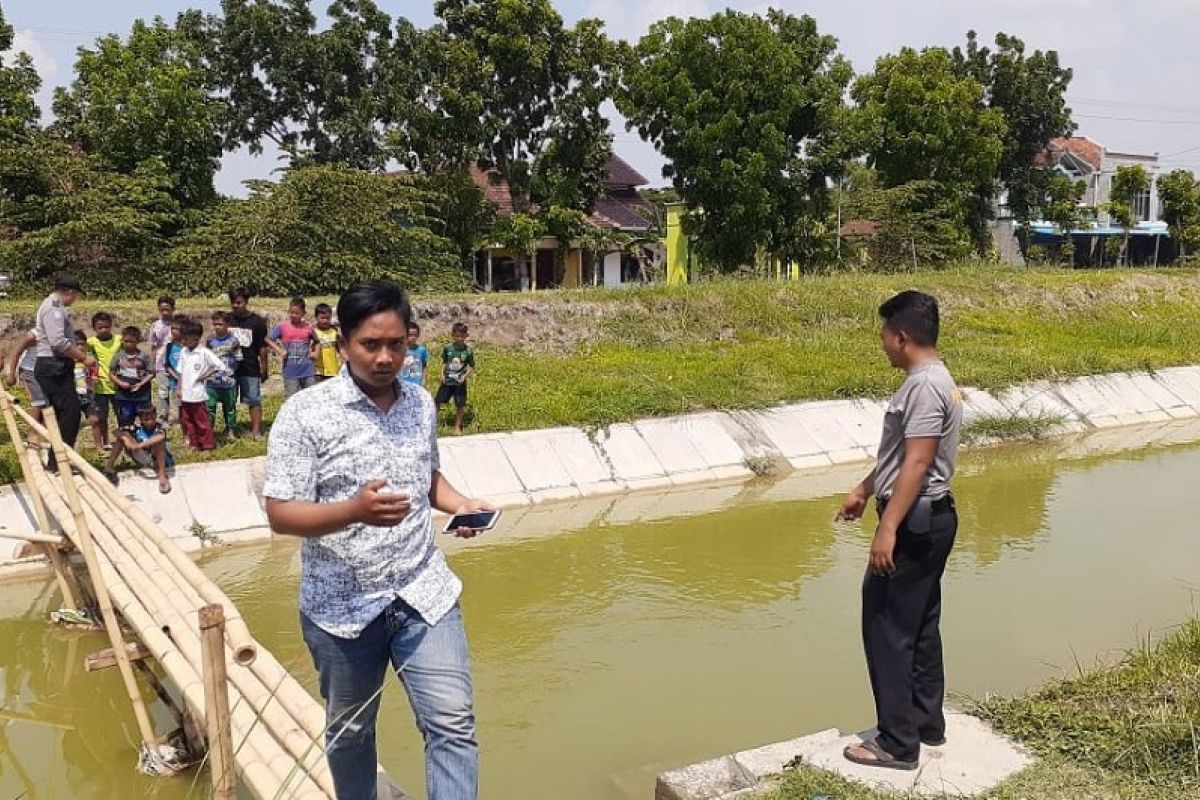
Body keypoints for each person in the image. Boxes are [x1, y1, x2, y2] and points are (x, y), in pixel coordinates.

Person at [264, 280, 493, 800]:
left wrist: (460, 504)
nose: (386, 357)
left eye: (397, 344)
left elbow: (427, 476)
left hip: (424, 593)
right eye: (371, 345)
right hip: (342, 609)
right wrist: (353, 511)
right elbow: (280, 513)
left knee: (452, 725)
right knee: (351, 732)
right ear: (342, 344)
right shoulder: (306, 414)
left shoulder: (419, 403)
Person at [837, 290, 963, 772]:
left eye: (885, 337)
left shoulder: (925, 387)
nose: (883, 345)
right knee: (921, 623)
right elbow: (900, 457)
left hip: (912, 523)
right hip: (930, 517)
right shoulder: (937, 380)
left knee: (886, 627)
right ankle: (926, 724)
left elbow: (918, 461)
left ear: (902, 336)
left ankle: (896, 742)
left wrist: (887, 527)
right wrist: (865, 490)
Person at [33, 274, 96, 471]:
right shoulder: (54, 309)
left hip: (56, 366)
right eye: (75, 294)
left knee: (63, 415)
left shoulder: (54, 307)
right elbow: (58, 341)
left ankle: (57, 460)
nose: (75, 299)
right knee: (70, 414)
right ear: (69, 292)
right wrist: (83, 358)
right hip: (53, 366)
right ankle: (60, 460)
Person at [176, 320, 231, 452]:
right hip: (185, 394)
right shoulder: (184, 351)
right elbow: (181, 371)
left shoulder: (203, 352)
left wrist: (206, 375)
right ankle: (194, 444)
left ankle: (208, 445)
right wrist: (179, 387)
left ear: (195, 339)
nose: (183, 341)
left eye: (186, 338)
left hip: (198, 394)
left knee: (202, 421)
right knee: (188, 421)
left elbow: (220, 366)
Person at [227, 288, 269, 440]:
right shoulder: (227, 319)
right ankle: (230, 430)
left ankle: (256, 431)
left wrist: (264, 366)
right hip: (230, 368)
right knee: (229, 400)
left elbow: (262, 347)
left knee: (253, 399)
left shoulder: (257, 322)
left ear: (246, 302)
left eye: (239, 302)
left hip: (250, 367)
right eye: (233, 303)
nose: (236, 306)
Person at [104, 405, 172, 494]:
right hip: (142, 456)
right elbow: (116, 431)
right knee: (122, 438)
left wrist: (138, 446)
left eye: (152, 418)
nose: (150, 421)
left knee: (158, 442)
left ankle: (162, 476)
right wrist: (128, 441)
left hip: (158, 460)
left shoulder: (160, 426)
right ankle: (109, 467)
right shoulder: (136, 427)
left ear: (155, 415)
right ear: (140, 419)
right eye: (146, 419)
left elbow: (161, 436)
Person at [268, 296, 318, 398]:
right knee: (291, 399)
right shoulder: (282, 327)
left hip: (308, 370)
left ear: (304, 313)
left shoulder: (308, 327)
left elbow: (317, 341)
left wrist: (316, 352)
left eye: (297, 313)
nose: (293, 315)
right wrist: (279, 350)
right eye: (291, 312)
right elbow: (267, 339)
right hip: (290, 372)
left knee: (311, 398)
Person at [4, 329, 46, 446]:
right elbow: (16, 353)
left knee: (48, 403)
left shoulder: (58, 334)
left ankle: (42, 432)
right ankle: (32, 434)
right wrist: (11, 374)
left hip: (46, 372)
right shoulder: (33, 336)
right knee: (39, 401)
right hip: (29, 370)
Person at [86, 312, 121, 452]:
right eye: (100, 327)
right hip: (100, 386)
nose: (104, 330)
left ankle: (123, 440)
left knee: (120, 415)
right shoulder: (92, 342)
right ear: (94, 328)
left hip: (118, 385)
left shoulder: (119, 340)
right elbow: (79, 349)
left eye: (106, 327)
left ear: (111, 326)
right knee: (102, 416)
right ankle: (105, 441)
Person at [206, 311, 242, 442]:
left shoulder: (233, 341)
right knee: (210, 407)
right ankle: (209, 432)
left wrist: (230, 374)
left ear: (227, 325)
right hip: (212, 382)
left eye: (220, 324)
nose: (217, 327)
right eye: (215, 324)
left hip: (228, 382)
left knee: (230, 407)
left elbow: (238, 359)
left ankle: (230, 430)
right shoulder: (210, 341)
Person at [435, 322, 475, 435]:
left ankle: (458, 427)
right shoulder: (448, 348)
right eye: (457, 336)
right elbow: (444, 362)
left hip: (459, 382)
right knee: (437, 401)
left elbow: (471, 366)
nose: (459, 338)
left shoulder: (468, 351)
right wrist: (441, 374)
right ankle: (432, 424)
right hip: (447, 381)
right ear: (453, 335)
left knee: (460, 404)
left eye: (462, 336)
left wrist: (464, 376)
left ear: (466, 336)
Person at [109, 326, 154, 430]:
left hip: (142, 394)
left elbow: (151, 373)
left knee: (145, 417)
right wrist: (120, 383)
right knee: (125, 420)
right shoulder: (119, 356)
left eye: (132, 342)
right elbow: (111, 373)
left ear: (137, 341)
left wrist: (140, 384)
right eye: (126, 341)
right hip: (124, 394)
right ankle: (128, 440)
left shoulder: (144, 356)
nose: (128, 344)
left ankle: (145, 438)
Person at [149, 296, 176, 418]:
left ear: (173, 309)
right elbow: (154, 347)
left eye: (167, 309)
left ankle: (182, 417)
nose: (165, 312)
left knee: (178, 391)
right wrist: (152, 365)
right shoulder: (155, 326)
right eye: (162, 310)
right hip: (161, 364)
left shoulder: (178, 324)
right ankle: (163, 417)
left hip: (177, 363)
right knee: (163, 392)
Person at [159, 316, 186, 425]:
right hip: (176, 382)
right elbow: (167, 365)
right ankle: (182, 423)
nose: (173, 331)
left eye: (177, 329)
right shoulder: (170, 346)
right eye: (172, 328)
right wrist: (176, 377)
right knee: (179, 404)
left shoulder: (188, 346)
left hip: (189, 381)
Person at [312, 303, 341, 382]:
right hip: (318, 371)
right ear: (316, 317)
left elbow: (339, 348)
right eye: (322, 318)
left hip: (333, 370)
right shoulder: (313, 332)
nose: (325, 320)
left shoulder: (334, 331)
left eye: (327, 318)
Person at [401, 322, 429, 388]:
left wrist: (424, 380)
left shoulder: (422, 350)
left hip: (416, 383)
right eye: (410, 335)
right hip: (402, 383)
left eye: (415, 335)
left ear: (418, 335)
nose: (413, 337)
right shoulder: (400, 350)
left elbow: (424, 367)